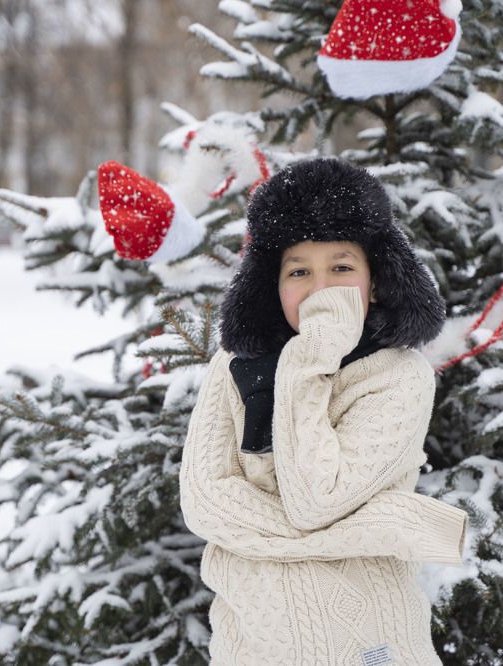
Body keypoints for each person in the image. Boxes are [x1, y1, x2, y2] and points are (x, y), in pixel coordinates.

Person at [179, 157, 468, 665]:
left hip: (368, 642)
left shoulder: (398, 375)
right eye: (299, 271)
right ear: (274, 284)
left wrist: (313, 354)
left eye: (341, 267)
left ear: (374, 279)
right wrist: (388, 522)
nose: (320, 289)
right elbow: (205, 502)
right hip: (252, 642)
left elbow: (316, 499)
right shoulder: (234, 366)